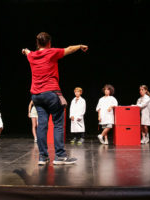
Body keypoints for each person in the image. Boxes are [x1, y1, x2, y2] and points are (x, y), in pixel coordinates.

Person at [22, 32, 88, 165]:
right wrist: (80, 45)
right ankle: (60, 156)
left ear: (38, 43)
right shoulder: (51, 52)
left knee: (42, 125)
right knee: (58, 124)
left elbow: (28, 52)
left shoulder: (32, 56)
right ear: (49, 43)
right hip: (51, 93)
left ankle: (42, 157)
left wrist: (25, 50)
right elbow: (69, 49)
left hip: (36, 96)